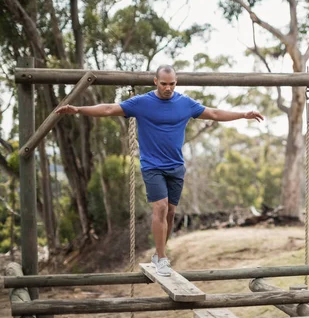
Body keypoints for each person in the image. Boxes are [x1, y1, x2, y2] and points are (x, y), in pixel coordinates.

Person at [56, 65, 265, 276]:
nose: (168, 88)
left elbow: (214, 113)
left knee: (171, 212)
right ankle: (162, 258)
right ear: (156, 81)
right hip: (152, 166)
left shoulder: (184, 103)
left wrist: (243, 114)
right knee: (161, 208)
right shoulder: (142, 103)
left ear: (176, 82)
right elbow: (109, 109)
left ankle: (159, 254)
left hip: (176, 167)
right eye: (164, 83)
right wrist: (78, 110)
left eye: (172, 84)